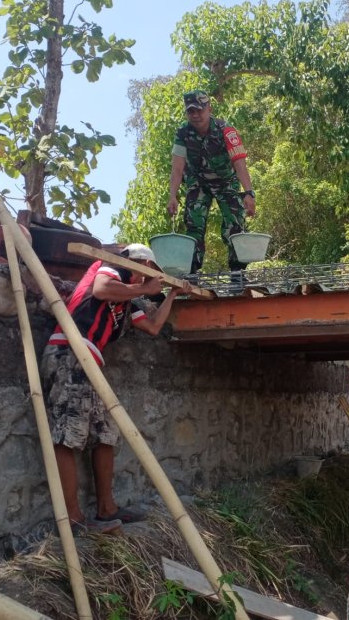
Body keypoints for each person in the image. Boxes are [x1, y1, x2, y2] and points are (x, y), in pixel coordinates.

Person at [40, 244, 188, 533]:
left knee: (105, 434)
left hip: (90, 361)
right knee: (68, 435)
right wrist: (144, 290)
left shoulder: (128, 301)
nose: (146, 278)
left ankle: (107, 508)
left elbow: (154, 326)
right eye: (147, 272)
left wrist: (171, 294)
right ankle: (73, 520)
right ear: (141, 263)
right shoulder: (112, 267)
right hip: (69, 352)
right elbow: (101, 290)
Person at [166, 90, 256, 275]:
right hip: (198, 182)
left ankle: (237, 272)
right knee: (194, 222)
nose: (195, 115)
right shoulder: (183, 132)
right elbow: (177, 168)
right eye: (191, 111)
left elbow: (239, 163)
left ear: (209, 109)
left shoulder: (226, 130)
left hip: (226, 181)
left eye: (199, 110)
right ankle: (192, 271)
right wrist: (172, 196)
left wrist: (248, 193)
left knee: (234, 222)